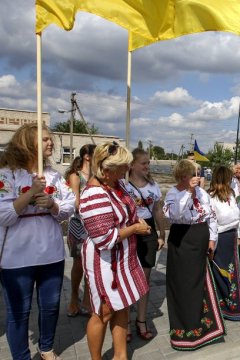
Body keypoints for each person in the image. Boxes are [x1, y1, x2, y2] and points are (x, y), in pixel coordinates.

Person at [0, 124, 75, 360]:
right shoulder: (7, 173)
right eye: (44, 140)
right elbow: (4, 216)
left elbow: (70, 206)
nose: (50, 143)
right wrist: (31, 192)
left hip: (51, 253)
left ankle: (46, 349)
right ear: (27, 143)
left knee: (51, 307)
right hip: (17, 257)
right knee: (19, 312)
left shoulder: (53, 175)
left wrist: (52, 205)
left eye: (50, 139)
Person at [80, 141, 152, 359]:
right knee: (103, 312)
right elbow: (104, 239)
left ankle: (121, 355)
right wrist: (134, 229)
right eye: (122, 167)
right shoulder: (94, 195)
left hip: (122, 257)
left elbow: (128, 211)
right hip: (105, 261)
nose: (126, 171)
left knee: (122, 305)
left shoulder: (115, 185)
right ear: (107, 169)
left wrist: (136, 220)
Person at [163, 159, 226, 349]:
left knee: (199, 282)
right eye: (193, 173)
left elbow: (211, 215)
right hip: (183, 240)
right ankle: (185, 330)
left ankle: (203, 326)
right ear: (183, 176)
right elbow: (176, 215)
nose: (197, 177)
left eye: (198, 173)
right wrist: (188, 193)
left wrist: (212, 239)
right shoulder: (174, 193)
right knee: (185, 284)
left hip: (200, 238)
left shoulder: (202, 192)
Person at [124, 148, 166, 340]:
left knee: (144, 279)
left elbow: (157, 210)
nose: (147, 166)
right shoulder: (123, 186)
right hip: (130, 230)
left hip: (149, 230)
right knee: (127, 277)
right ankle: (124, 323)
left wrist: (162, 233)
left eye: (148, 163)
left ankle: (141, 320)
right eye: (144, 163)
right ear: (132, 165)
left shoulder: (153, 186)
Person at [208, 166, 240, 321]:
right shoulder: (210, 198)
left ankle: (232, 306)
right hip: (220, 239)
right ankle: (221, 306)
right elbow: (212, 222)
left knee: (232, 273)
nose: (233, 181)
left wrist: (238, 235)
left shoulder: (231, 195)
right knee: (220, 272)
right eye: (230, 178)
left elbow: (237, 217)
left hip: (231, 238)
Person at [64, 143, 96, 318]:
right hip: (79, 225)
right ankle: (74, 297)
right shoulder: (76, 176)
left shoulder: (98, 175)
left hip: (94, 225)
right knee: (79, 264)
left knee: (92, 263)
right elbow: (75, 203)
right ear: (87, 156)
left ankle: (87, 299)